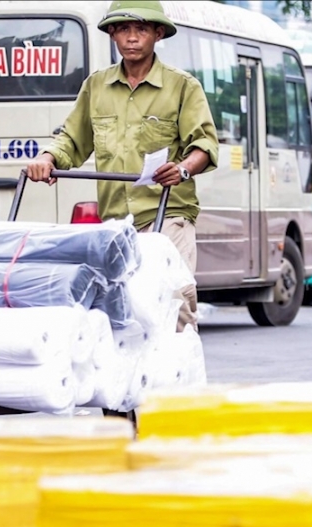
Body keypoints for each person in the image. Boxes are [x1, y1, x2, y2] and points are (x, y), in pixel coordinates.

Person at [27, 0, 219, 333]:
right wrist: (47, 159)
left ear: (157, 34)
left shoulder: (182, 86)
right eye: (124, 29)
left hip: (168, 213)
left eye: (141, 29)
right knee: (122, 308)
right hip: (117, 223)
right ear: (113, 34)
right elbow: (72, 140)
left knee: (174, 302)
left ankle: (179, 376)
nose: (132, 38)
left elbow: (204, 145)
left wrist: (183, 169)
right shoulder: (95, 86)